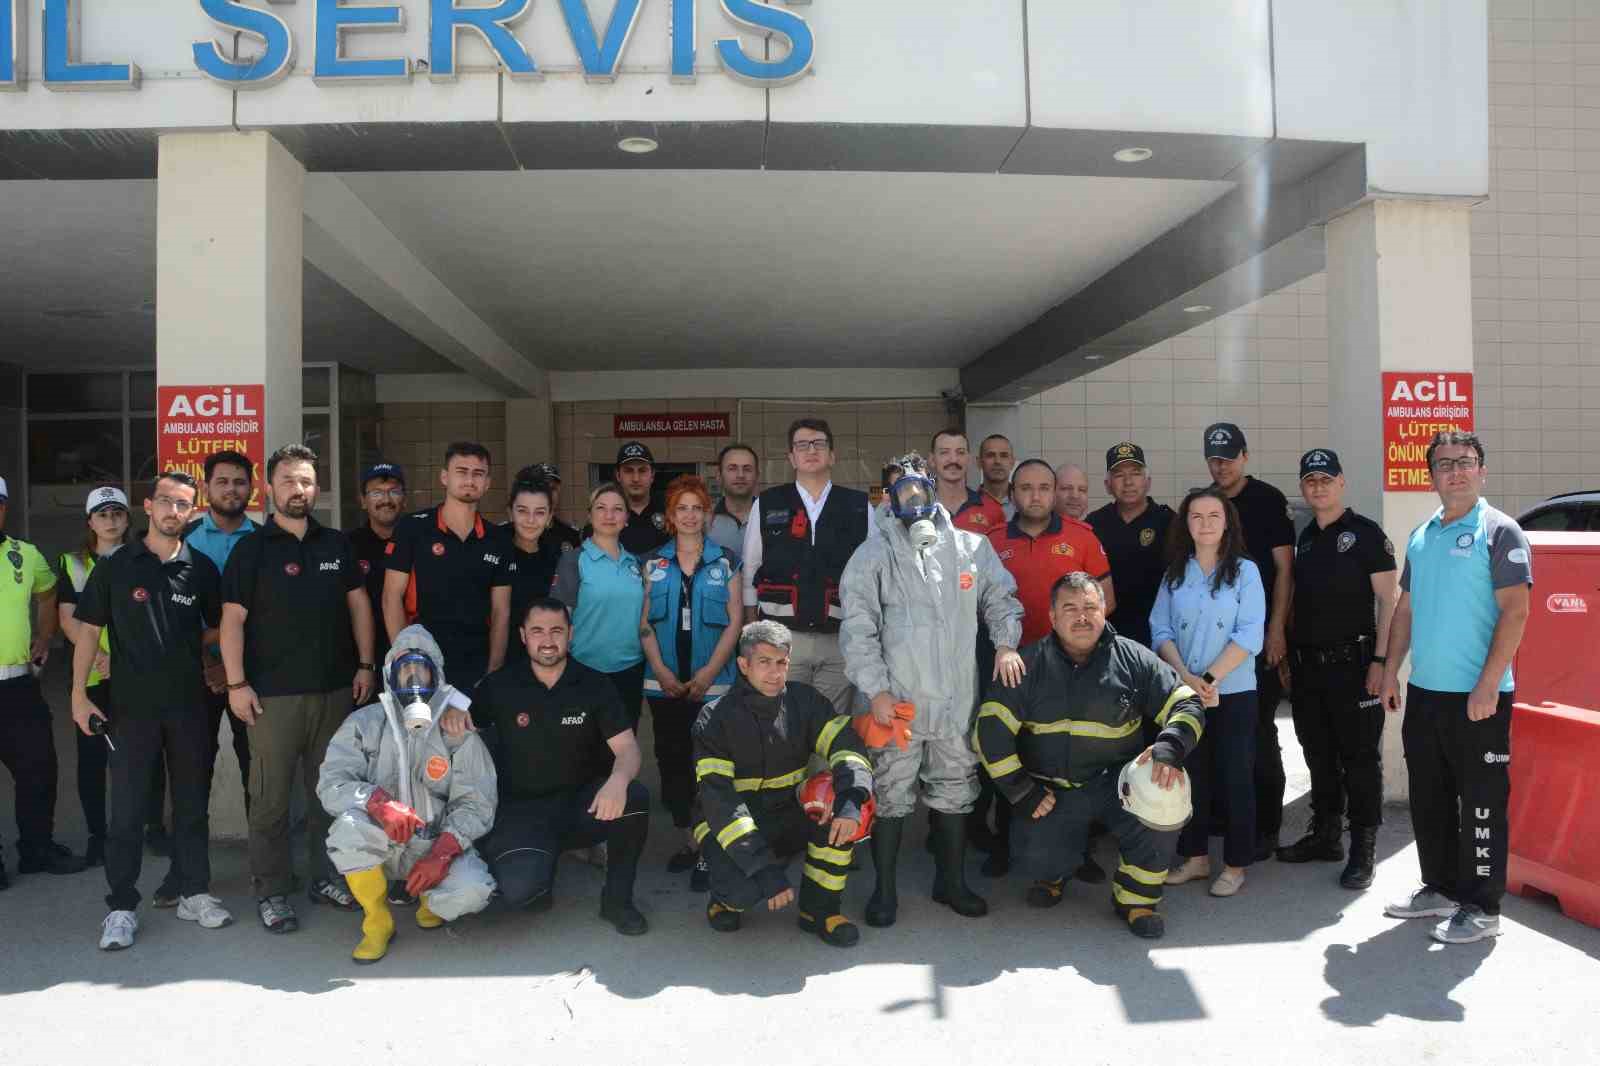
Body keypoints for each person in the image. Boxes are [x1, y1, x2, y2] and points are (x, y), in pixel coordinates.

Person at [840, 452, 1024, 927]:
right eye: (900, 487)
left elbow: (1001, 600)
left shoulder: (970, 548)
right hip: (893, 704)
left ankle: (951, 881)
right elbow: (858, 631)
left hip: (955, 699)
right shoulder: (872, 555)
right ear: (887, 496)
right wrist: (876, 692)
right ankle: (884, 891)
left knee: (957, 787)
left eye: (917, 486)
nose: (912, 497)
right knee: (889, 789)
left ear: (932, 487)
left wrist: (1005, 645)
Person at [974, 573, 1205, 938]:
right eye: (1070, 608)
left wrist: (1169, 749)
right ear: (1051, 617)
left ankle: (1136, 899)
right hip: (1053, 791)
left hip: (1119, 786)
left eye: (1090, 607)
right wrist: (1021, 790)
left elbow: (1186, 702)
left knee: (1167, 793)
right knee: (1035, 857)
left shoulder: (1133, 658)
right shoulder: (1028, 665)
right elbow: (990, 729)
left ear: (1103, 611)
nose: (1081, 617)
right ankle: (1054, 873)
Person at [1380, 431, 1531, 945]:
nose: (1455, 472)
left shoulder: (1500, 531)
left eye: (1465, 462)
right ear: (1432, 476)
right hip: (1426, 693)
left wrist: (1488, 685)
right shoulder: (1423, 535)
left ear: (1482, 470)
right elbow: (1405, 609)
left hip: (1480, 697)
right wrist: (1389, 668)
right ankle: (1441, 887)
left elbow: (1516, 611)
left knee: (1482, 802)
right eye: (1444, 464)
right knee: (1432, 798)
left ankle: (1483, 907)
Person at [71, 471, 232, 950]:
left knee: (190, 806)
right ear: (148, 505)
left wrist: (209, 660)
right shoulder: (117, 566)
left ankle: (194, 891)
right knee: (128, 811)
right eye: (165, 501)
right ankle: (121, 906)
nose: (173, 511)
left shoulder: (200, 568)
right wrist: (79, 693)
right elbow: (86, 630)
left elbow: (220, 627)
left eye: (183, 505)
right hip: (131, 710)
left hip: (189, 707)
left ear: (192, 512)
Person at [221, 444, 378, 932]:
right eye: (288, 480)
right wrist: (236, 683)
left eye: (307, 481)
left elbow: (359, 608)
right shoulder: (251, 549)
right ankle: (271, 890)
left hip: (334, 692)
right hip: (272, 698)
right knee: (269, 800)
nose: (298, 490)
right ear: (270, 487)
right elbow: (232, 622)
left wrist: (366, 665)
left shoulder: (335, 544)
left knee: (326, 796)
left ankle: (326, 877)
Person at [318, 625, 497, 964]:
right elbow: (331, 782)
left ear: (437, 675)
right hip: (381, 841)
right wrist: (376, 802)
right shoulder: (364, 723)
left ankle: (431, 900)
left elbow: (478, 801)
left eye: (422, 669)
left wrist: (443, 852)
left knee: (473, 889)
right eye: (404, 669)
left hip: (432, 842)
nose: (413, 679)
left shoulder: (457, 731)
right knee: (347, 830)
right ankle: (377, 919)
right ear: (389, 675)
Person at [693, 620, 875, 947]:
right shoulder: (715, 716)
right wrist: (765, 871)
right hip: (725, 822)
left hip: (784, 811)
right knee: (745, 891)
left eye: (782, 663)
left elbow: (846, 746)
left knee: (839, 819)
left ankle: (820, 911)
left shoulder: (805, 702)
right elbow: (721, 802)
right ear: (744, 665)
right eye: (764, 662)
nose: (775, 673)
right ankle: (723, 900)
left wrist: (851, 802)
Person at [476, 599, 650, 936]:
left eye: (557, 630)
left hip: (578, 807)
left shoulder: (594, 684)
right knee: (521, 894)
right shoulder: (499, 686)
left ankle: (617, 901)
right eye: (538, 631)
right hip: (521, 812)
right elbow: (465, 726)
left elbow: (628, 748)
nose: (548, 640)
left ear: (570, 635)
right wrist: (453, 713)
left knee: (635, 796)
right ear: (523, 636)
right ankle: (540, 874)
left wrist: (618, 778)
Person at [984, 458, 1115, 880]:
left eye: (1044, 488)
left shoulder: (1082, 538)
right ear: (1013, 493)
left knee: (1073, 757)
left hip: (1070, 664)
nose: (1035, 496)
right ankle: (1003, 845)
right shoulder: (990, 541)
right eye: (1026, 488)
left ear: (1055, 491)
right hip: (1013, 666)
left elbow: (1106, 600)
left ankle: (1082, 853)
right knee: (1008, 751)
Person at [1277, 449, 1398, 890]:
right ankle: (1326, 835)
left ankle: (1363, 850)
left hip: (1356, 666)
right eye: (1310, 480)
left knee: (1360, 758)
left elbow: (1389, 601)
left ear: (1342, 483)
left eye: (1326, 479)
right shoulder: (1305, 538)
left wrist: (1382, 663)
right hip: (1310, 669)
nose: (1318, 487)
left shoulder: (1365, 534)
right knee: (1318, 754)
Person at [1153, 487, 1266, 898]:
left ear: (1227, 522)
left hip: (1232, 691)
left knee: (1235, 776)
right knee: (1191, 776)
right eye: (1196, 516)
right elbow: (1160, 629)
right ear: (1186, 523)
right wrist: (1186, 676)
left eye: (1213, 516)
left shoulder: (1245, 572)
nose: (1204, 523)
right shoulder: (1175, 574)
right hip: (1186, 690)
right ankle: (1196, 858)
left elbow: (1250, 633)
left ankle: (1236, 864)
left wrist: (1211, 678)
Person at [639, 475, 741, 887]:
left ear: (707, 514)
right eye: (682, 508)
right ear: (671, 515)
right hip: (662, 686)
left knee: (712, 768)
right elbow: (644, 623)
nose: (689, 515)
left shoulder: (726, 561)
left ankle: (713, 849)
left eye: (697, 508)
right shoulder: (652, 563)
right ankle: (690, 841)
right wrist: (661, 672)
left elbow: (735, 622)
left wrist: (709, 673)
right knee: (673, 763)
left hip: (713, 684)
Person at [1204, 423, 1294, 860]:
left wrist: (1276, 631)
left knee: (1259, 733)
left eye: (1228, 457)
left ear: (1245, 456)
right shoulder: (1207, 503)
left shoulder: (1267, 501)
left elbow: (1285, 571)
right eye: (1213, 458)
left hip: (1258, 640)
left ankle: (1266, 826)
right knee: (1224, 733)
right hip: (1216, 647)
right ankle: (1229, 814)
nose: (1220, 466)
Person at [741, 418, 873, 715]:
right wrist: (752, 625)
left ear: (832, 455)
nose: (811, 450)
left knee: (832, 725)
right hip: (780, 639)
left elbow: (873, 574)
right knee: (780, 721)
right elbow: (751, 567)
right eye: (802, 445)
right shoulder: (767, 502)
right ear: (791, 457)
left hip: (840, 639)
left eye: (819, 444)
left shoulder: (858, 505)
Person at [0, 474, 82, 890]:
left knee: (38, 768)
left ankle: (36, 848)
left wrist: (44, 635)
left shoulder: (24, 554)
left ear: (4, 508)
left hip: (16, 685)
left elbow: (48, 593)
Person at [382, 441, 512, 693]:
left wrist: (493, 670)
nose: (469, 480)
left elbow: (501, 611)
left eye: (478, 473)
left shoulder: (498, 540)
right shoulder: (413, 528)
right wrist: (405, 659)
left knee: (471, 733)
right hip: (420, 660)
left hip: (475, 664)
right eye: (461, 471)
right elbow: (391, 597)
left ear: (487, 482)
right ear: (445, 477)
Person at [179, 449, 257, 857]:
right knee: (193, 772)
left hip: (251, 678)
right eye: (222, 481)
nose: (231, 489)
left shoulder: (265, 540)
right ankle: (188, 871)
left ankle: (266, 869)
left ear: (252, 488)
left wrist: (234, 671)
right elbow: (172, 612)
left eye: (239, 482)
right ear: (206, 487)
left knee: (258, 773)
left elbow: (268, 615)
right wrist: (211, 663)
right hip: (196, 676)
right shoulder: (183, 540)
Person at [56, 486, 133, 868]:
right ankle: (97, 836)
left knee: (140, 754)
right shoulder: (72, 562)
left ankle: (142, 827)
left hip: (132, 673)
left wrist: (119, 658)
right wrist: (101, 656)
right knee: (91, 759)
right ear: (90, 522)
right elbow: (68, 617)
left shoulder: (143, 557)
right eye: (102, 514)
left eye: (117, 513)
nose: (110, 520)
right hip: (91, 675)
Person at [549, 484, 647, 726]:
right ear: (590, 515)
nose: (609, 515)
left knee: (625, 745)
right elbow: (558, 619)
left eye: (617, 509)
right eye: (601, 508)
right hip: (585, 669)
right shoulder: (574, 560)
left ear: (626, 518)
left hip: (630, 670)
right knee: (585, 749)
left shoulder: (636, 563)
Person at [1087, 443, 1176, 649]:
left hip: (1158, 638)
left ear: (1148, 481)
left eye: (1135, 474)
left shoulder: (1169, 521)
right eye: (1119, 475)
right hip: (1107, 637)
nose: (1128, 482)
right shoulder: (1095, 523)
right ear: (1108, 485)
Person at [503, 479, 569, 667]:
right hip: (503, 663)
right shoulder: (494, 552)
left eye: (539, 513)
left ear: (549, 517)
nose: (530, 520)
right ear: (510, 512)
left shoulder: (558, 557)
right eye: (522, 511)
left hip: (548, 660)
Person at [347, 461, 406, 668]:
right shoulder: (348, 545)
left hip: (413, 654)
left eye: (394, 491)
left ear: (404, 498)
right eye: (376, 493)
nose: (386, 500)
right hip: (363, 660)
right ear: (363, 501)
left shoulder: (418, 540)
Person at [931, 428, 1006, 534]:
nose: (953, 460)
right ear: (932, 460)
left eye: (960, 453)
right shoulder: (919, 509)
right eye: (944, 453)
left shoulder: (993, 510)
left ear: (969, 459)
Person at [605, 442, 670, 557]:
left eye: (642, 471)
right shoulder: (606, 516)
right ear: (618, 475)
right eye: (629, 471)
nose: (636, 478)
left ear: (652, 475)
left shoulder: (671, 512)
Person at [515, 463, 581, 551]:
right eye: (543, 488)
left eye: (553, 488)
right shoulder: (506, 533)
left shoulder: (572, 535)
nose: (549, 494)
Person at [708, 444, 759, 556]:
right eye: (732, 468)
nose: (740, 475)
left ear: (757, 475)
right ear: (719, 476)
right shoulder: (704, 521)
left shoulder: (770, 517)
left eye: (747, 469)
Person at [976, 434, 1016, 519]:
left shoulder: (1023, 502)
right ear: (979, 462)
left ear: (1012, 462)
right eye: (990, 455)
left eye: (1004, 455)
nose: (997, 461)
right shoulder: (968, 504)